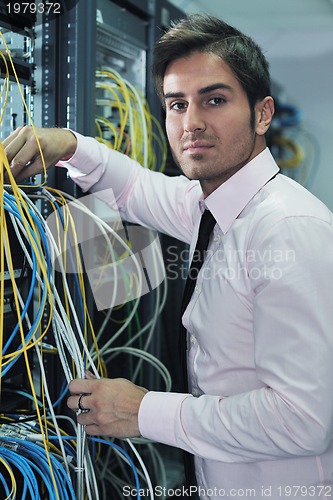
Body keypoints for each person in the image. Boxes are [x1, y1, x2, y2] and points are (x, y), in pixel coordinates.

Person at [4, 13, 333, 500]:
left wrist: (143, 411)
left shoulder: (285, 230)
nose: (192, 122)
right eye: (177, 104)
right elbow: (138, 188)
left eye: (214, 100)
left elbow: (303, 420)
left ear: (262, 114)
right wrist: (68, 146)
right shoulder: (213, 207)